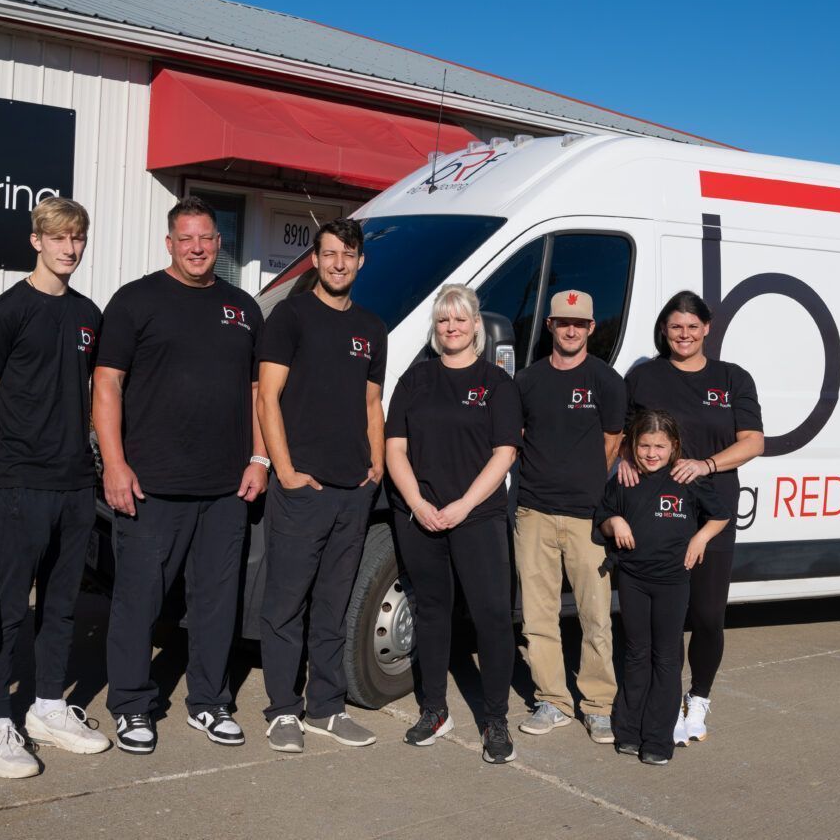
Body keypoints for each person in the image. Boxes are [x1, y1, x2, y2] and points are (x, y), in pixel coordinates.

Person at [94, 197, 268, 755]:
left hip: (225, 488)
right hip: (151, 486)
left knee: (218, 602)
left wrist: (259, 458)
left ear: (220, 244)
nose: (197, 248)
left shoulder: (243, 308)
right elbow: (106, 386)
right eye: (187, 239)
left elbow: (258, 392)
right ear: (169, 243)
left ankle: (210, 702)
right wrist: (115, 465)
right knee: (138, 601)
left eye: (207, 239)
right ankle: (130, 706)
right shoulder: (135, 301)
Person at [0, 198, 110, 777]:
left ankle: (48, 706)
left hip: (76, 484)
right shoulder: (5, 312)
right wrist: (2, 461)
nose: (69, 249)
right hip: (20, 482)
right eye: (58, 238)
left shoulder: (88, 315)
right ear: (36, 241)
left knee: (61, 604)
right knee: (7, 605)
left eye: (77, 238)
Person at [256, 217, 387, 753]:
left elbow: (371, 403)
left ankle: (326, 708)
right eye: (329, 253)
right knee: (287, 603)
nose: (338, 263)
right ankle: (283, 710)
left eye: (347, 254)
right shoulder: (290, 316)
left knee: (334, 603)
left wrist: (375, 468)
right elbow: (267, 398)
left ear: (360, 261)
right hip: (302, 489)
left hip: (353, 491)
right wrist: (284, 471)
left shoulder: (372, 328)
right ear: (314, 258)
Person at [385, 284, 523, 764]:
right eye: (443, 320)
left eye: (460, 319)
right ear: (436, 327)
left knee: (490, 617)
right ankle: (435, 709)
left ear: (475, 326)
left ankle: (497, 719)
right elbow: (394, 448)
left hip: (477, 517)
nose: (451, 327)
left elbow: (505, 453)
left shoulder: (497, 384)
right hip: (420, 516)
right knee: (431, 613)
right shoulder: (415, 379)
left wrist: (464, 505)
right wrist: (417, 503)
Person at [621, 290, 762, 745]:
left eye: (692, 326)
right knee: (660, 620)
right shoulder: (643, 377)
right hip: (655, 517)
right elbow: (622, 434)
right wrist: (623, 459)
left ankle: (697, 698)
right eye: (675, 326)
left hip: (711, 514)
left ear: (707, 328)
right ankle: (657, 702)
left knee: (706, 615)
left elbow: (753, 442)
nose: (684, 334)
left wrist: (706, 465)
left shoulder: (732, 378)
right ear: (665, 329)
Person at [513, 289, 626, 744]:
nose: (571, 330)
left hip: (586, 518)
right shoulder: (527, 381)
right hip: (534, 511)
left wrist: (585, 488)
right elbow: (519, 438)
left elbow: (612, 443)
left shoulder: (607, 381)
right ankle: (552, 701)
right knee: (537, 615)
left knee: (595, 615)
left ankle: (598, 705)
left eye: (579, 323)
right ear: (550, 326)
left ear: (592, 328)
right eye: (563, 322)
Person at [597, 410, 729, 765]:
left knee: (666, 656)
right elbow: (602, 518)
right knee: (637, 653)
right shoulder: (623, 480)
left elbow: (721, 514)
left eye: (659, 446)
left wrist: (700, 538)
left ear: (674, 447)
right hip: (633, 580)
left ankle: (658, 738)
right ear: (632, 446)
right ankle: (629, 731)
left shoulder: (686, 478)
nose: (651, 453)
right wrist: (615, 520)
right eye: (644, 445)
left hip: (672, 581)